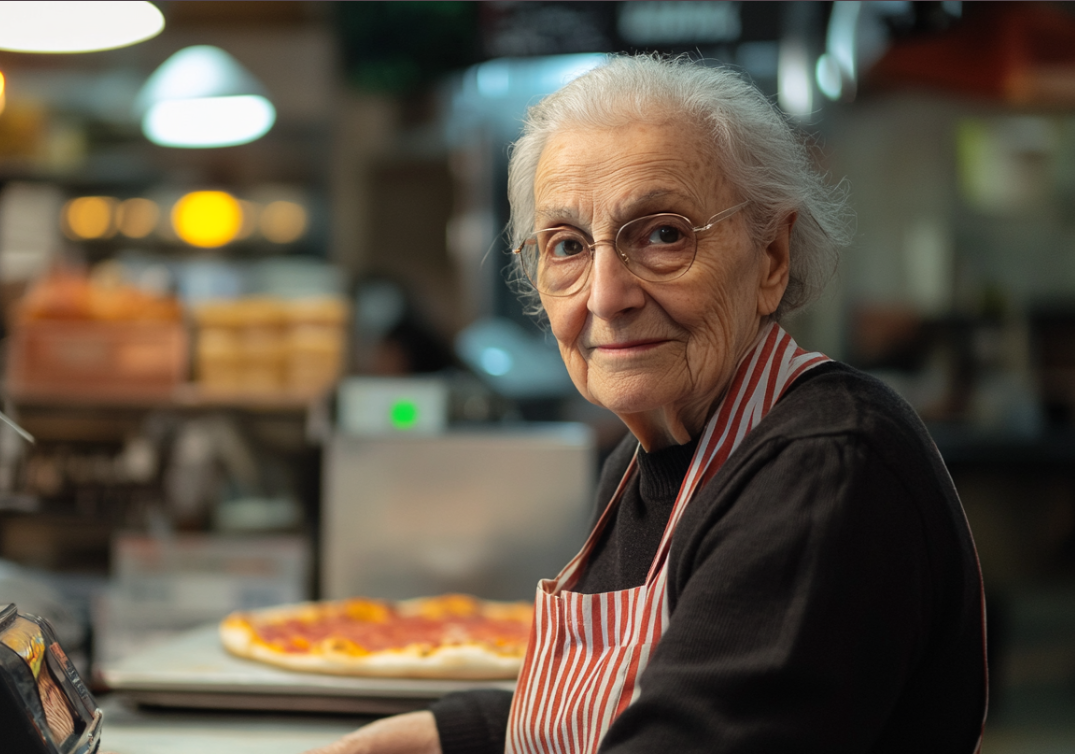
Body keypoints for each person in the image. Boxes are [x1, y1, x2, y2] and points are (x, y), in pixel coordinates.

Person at [309, 54, 987, 754]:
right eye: (567, 246)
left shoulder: (824, 469)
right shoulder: (646, 459)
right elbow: (650, 692)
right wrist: (446, 733)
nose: (606, 295)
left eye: (663, 234)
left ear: (772, 257)